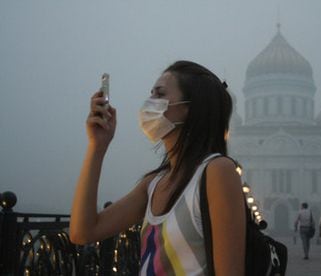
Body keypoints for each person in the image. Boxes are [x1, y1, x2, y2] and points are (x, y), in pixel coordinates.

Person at [69, 60, 246, 275]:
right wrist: (97, 147)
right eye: (151, 94)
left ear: (189, 108)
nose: (149, 103)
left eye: (159, 95)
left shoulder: (217, 171)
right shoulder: (154, 184)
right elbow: (83, 232)